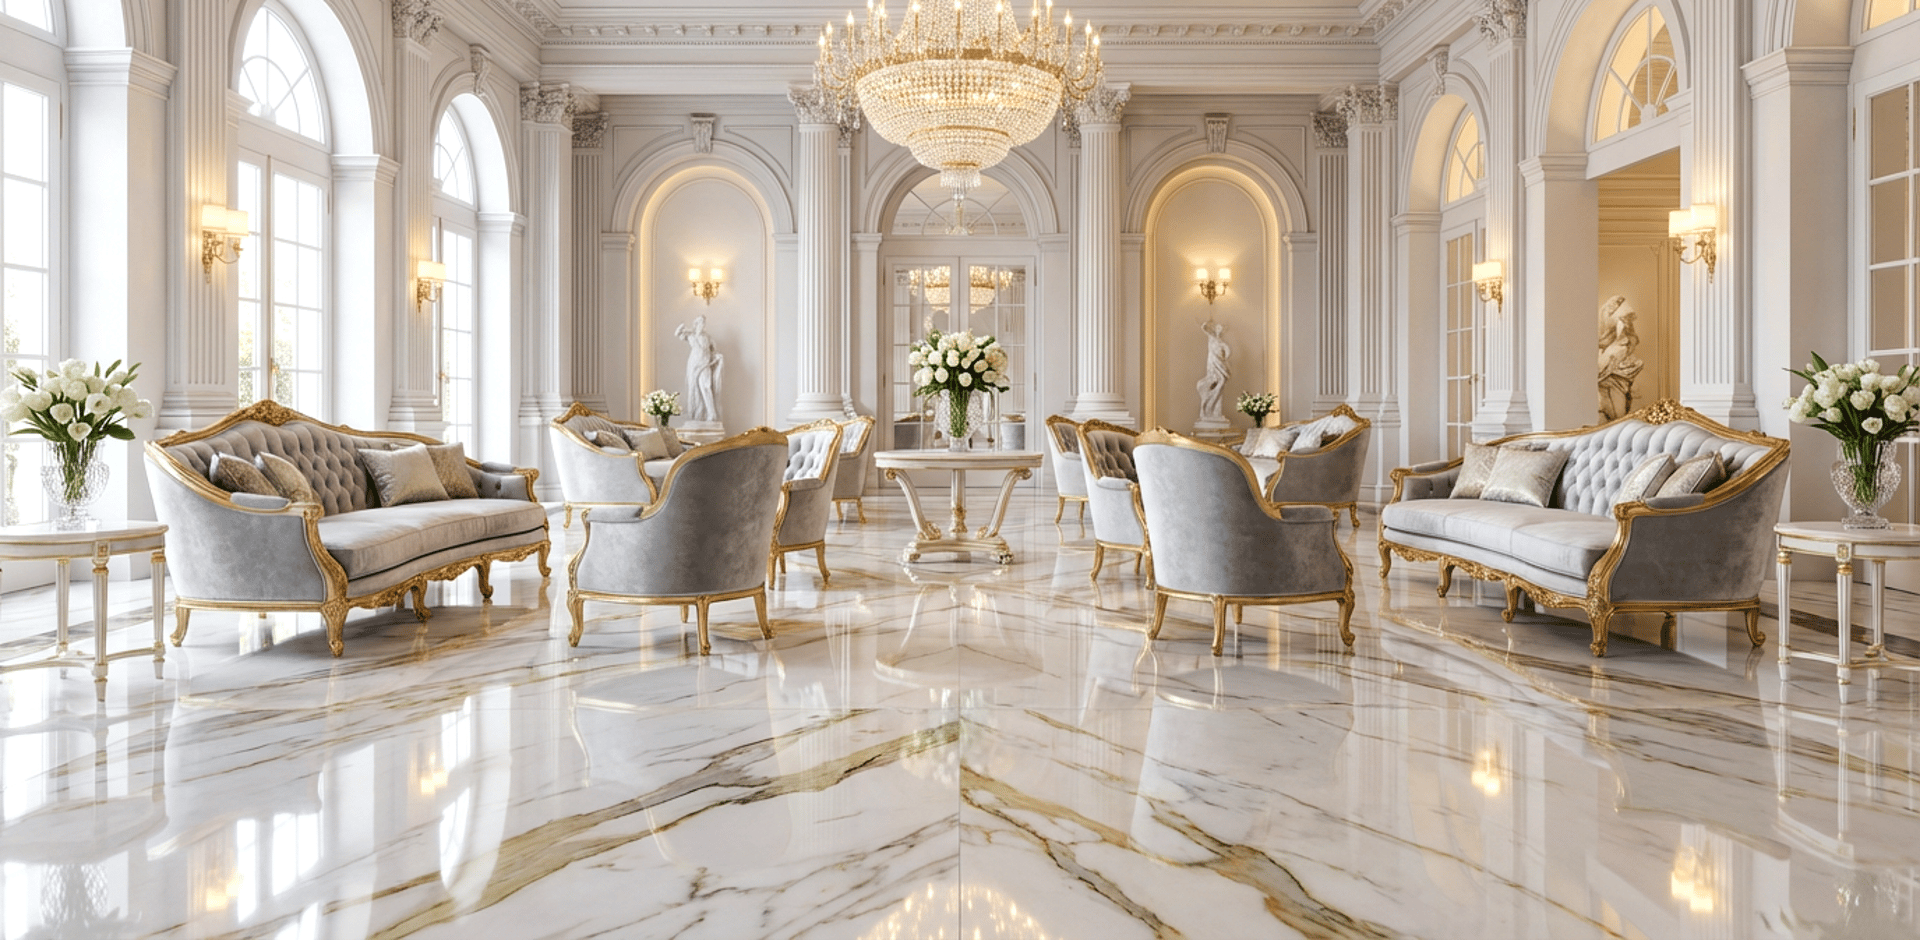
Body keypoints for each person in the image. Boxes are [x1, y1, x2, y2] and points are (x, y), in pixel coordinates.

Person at [1597, 295, 1643, 421]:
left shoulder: (1622, 342)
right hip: (1605, 382)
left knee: (1618, 416)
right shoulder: (1603, 343)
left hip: (1619, 380)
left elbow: (1631, 340)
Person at [675, 315, 724, 425]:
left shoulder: (708, 337)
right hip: (694, 365)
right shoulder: (691, 336)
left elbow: (714, 351)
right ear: (696, 324)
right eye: (700, 323)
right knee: (694, 389)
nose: (703, 325)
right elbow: (677, 333)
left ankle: (711, 414)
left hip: (705, 364)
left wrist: (717, 357)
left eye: (703, 323)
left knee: (706, 387)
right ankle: (697, 415)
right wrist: (684, 327)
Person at [1196, 319, 1231, 424]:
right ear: (1215, 330)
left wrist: (1225, 357)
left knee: (1221, 381)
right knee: (1215, 381)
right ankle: (1207, 410)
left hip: (1220, 363)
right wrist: (1206, 323)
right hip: (1213, 363)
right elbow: (1204, 328)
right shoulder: (1212, 338)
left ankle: (1215, 413)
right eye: (1218, 328)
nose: (1220, 331)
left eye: (1221, 329)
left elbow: (1228, 351)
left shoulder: (1222, 342)